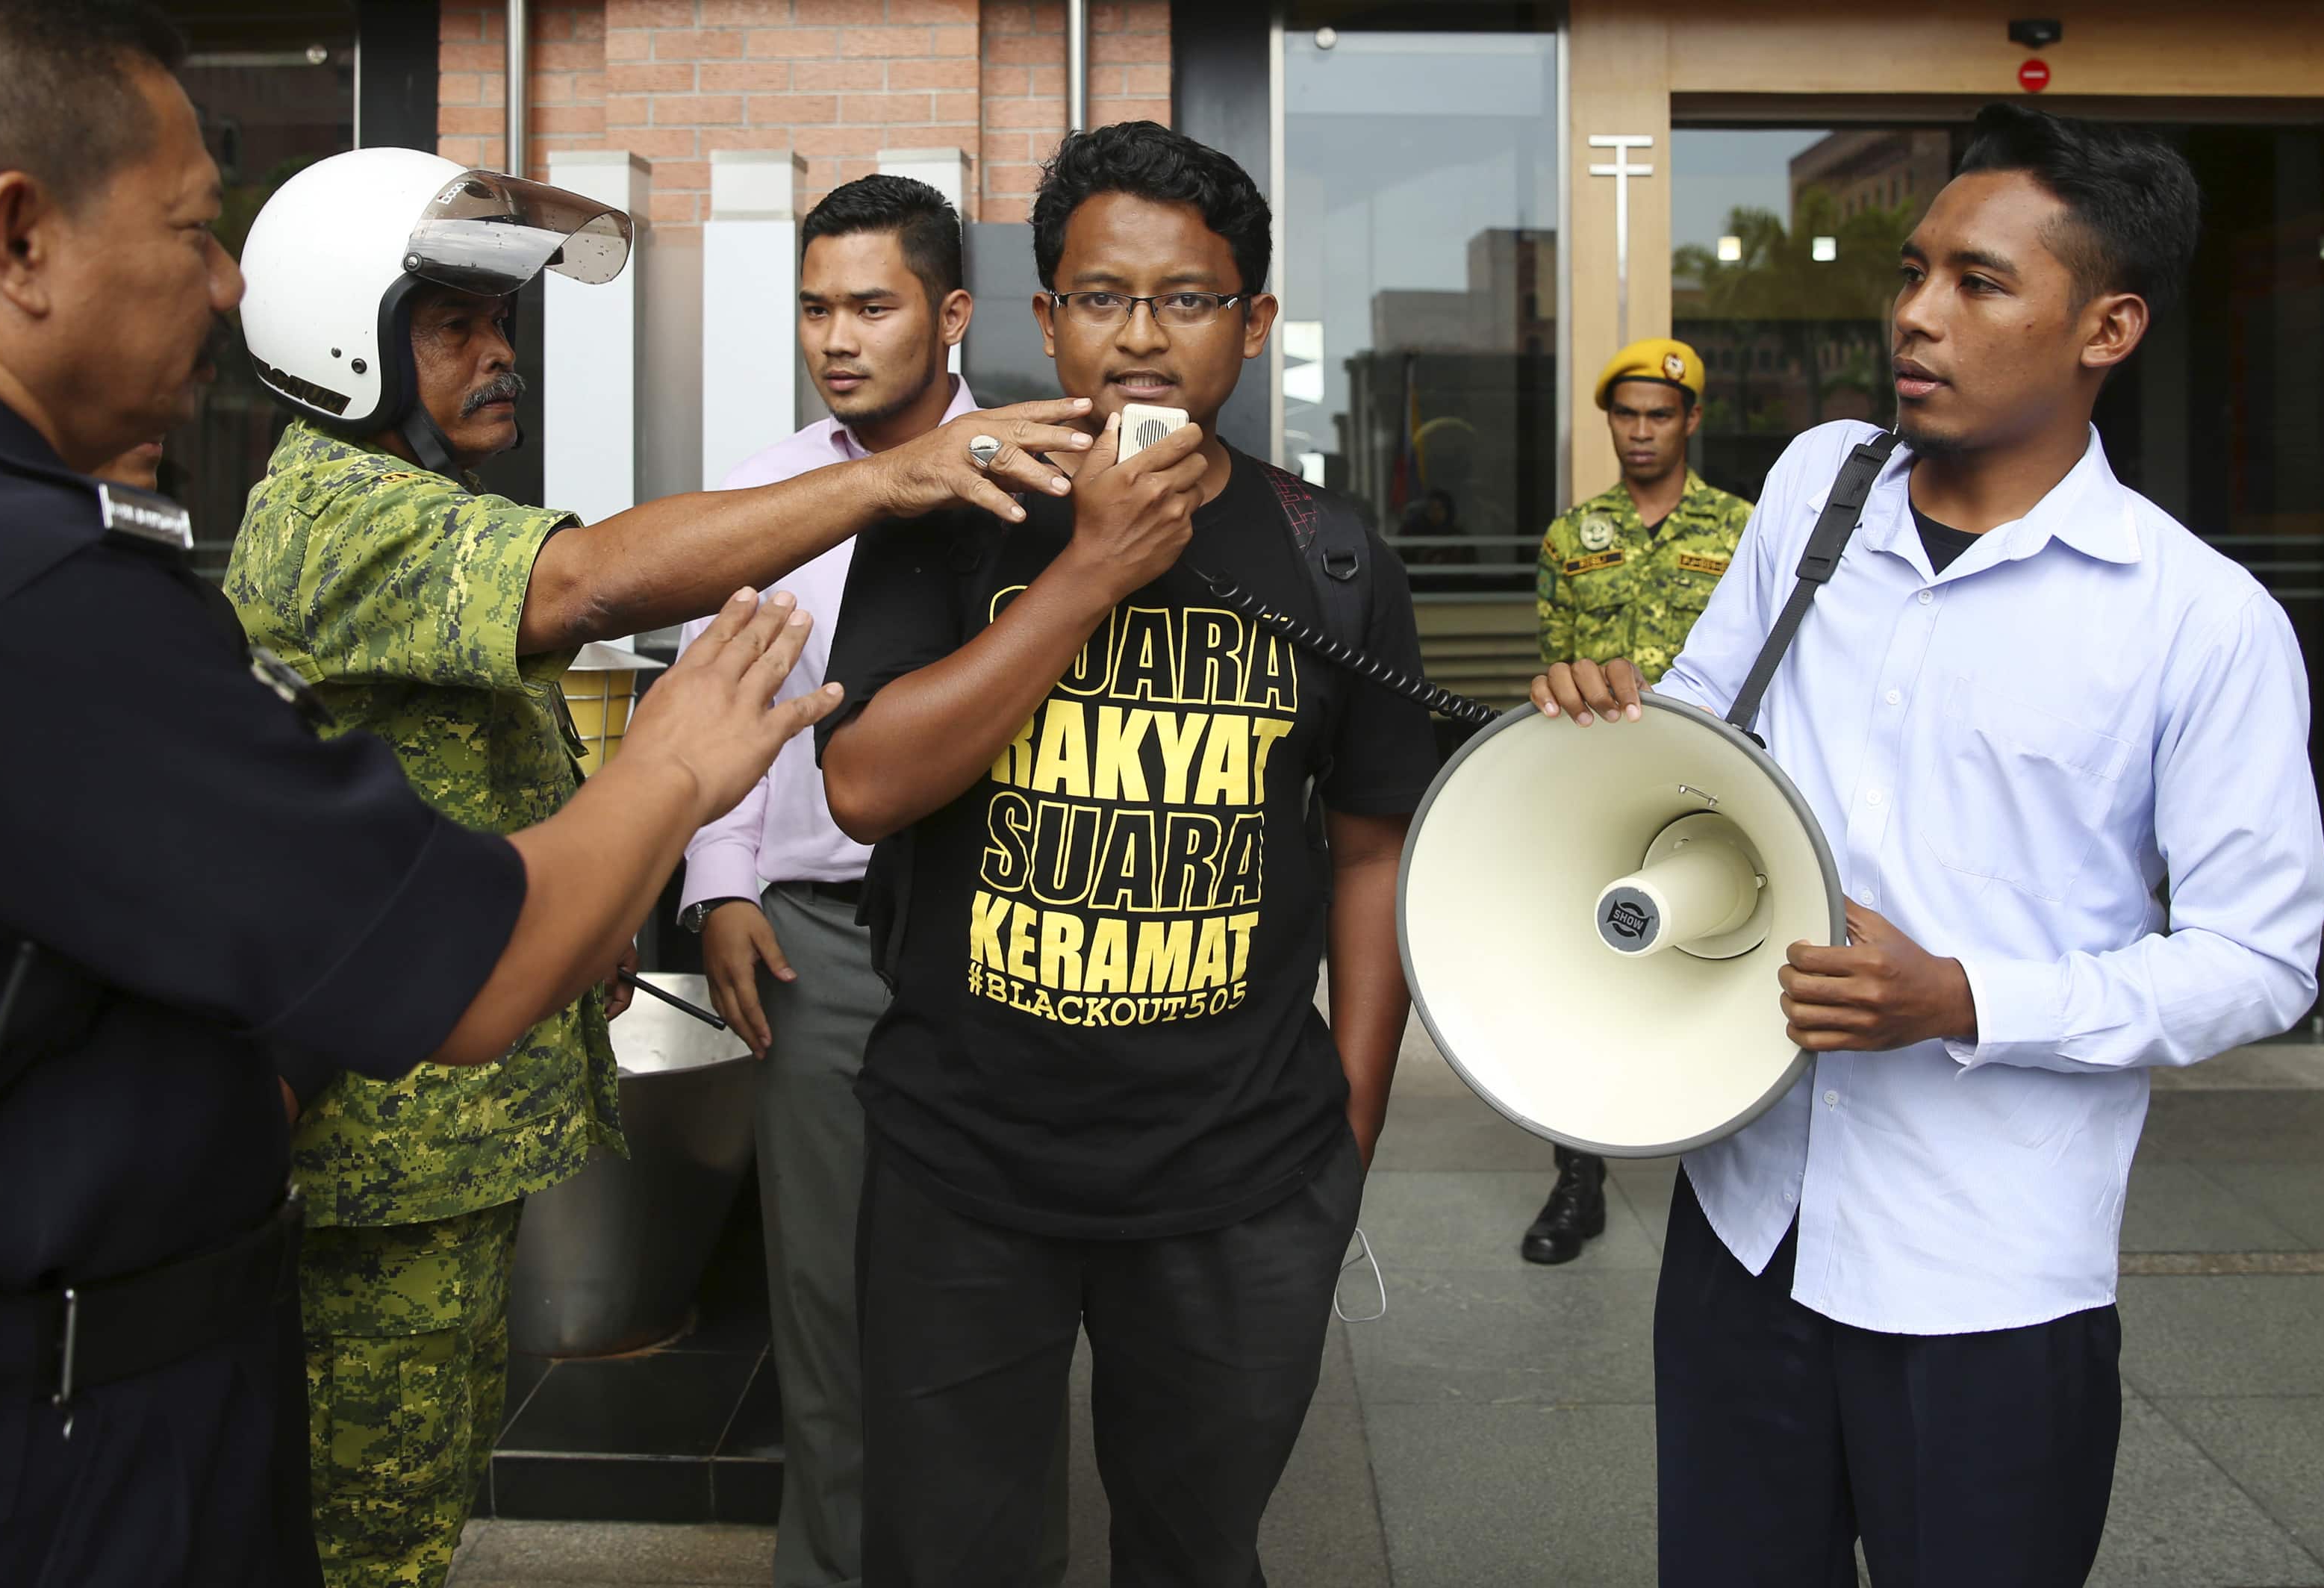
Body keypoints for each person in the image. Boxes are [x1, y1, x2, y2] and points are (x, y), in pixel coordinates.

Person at [0, 2, 848, 1582]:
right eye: (192, 229)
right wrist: (667, 767)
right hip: (31, 1456)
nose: (227, 282)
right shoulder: (22, 602)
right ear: (19, 236)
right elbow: (463, 959)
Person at [221, 149, 1092, 1588]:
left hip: (976, 956)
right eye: (453, 329)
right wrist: (710, 855)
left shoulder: (412, 505)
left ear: (950, 317)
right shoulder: (340, 512)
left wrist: (604, 899)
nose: (499, 359)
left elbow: (469, 756)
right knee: (372, 1531)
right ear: (344, 341)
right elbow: (591, 587)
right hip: (398, 1140)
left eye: (500, 328)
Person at [1533, 102, 2324, 1588]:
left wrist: (1960, 997)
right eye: (1910, 270)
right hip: (1745, 1223)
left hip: (1986, 1277)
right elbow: (1708, 728)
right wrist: (1613, 725)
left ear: (2107, 326)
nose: (1914, 313)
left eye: (1977, 282)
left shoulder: (2196, 618)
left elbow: (2259, 960)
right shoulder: (1819, 485)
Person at [818, 122, 1441, 1587]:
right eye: (1101, 298)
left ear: (1254, 322)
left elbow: (1369, 852)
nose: (1142, 339)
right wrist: (1087, 570)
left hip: (1239, 1176)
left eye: (1187, 300)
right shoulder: (949, 505)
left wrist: (1346, 1128)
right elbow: (861, 785)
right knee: (946, 1556)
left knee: (1195, 1550)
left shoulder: (1333, 552)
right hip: (960, 1165)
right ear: (1045, 319)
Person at [678, 172, 1066, 1588]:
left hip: (991, 950)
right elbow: (723, 700)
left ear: (952, 314)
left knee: (998, 1326)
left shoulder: (1036, 481)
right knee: (827, 1326)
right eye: (815, 308)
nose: (837, 337)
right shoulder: (777, 491)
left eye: (872, 306)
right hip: (820, 948)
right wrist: (725, 886)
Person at [1518, 337, 1751, 1265]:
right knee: (1582, 966)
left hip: (1720, 785)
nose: (1642, 431)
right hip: (1603, 789)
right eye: (1627, 415)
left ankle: (1739, 1185)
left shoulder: (1742, 529)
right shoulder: (1573, 537)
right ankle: (1577, 1182)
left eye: (1660, 414)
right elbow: (1553, 661)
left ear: (1691, 420)